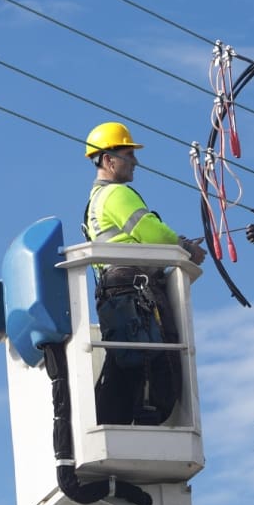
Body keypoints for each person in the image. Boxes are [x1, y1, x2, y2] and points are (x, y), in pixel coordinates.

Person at [80, 122, 206, 426]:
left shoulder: (94, 202)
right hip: (133, 290)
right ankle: (146, 413)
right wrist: (185, 247)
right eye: (128, 154)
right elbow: (152, 232)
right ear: (109, 160)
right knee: (153, 359)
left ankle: (119, 420)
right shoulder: (117, 194)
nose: (135, 161)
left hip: (116, 293)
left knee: (127, 361)